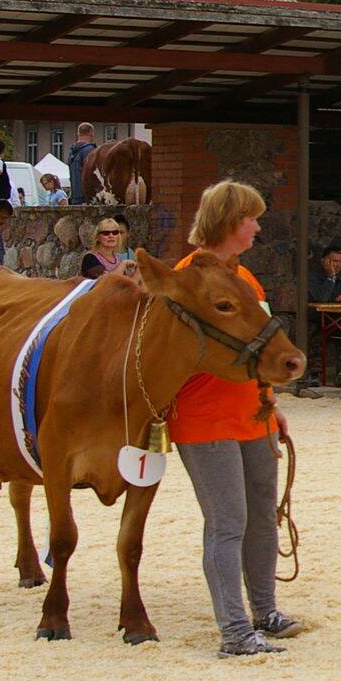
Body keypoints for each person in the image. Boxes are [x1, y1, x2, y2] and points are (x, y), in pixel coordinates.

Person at [168, 180, 301, 656]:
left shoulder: (247, 280)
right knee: (228, 522)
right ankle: (235, 630)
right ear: (230, 220)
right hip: (204, 417)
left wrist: (271, 401)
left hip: (252, 415)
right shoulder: (186, 279)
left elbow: (261, 350)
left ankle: (264, 612)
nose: (258, 226)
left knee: (262, 517)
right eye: (252, 217)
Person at [80, 215, 137, 279]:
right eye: (106, 233)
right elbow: (106, 283)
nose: (111, 236)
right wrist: (124, 264)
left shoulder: (117, 260)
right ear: (98, 237)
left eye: (115, 232)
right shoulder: (90, 258)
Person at [67, 122, 98, 205]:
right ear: (91, 133)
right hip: (87, 197)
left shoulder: (72, 151)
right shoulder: (90, 150)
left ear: (78, 133)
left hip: (75, 196)